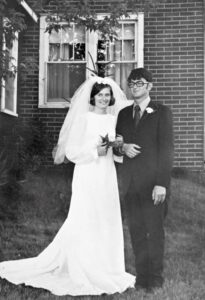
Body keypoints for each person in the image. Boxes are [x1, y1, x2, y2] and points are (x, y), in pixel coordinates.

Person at [0, 76, 135, 296]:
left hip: (106, 175)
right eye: (100, 95)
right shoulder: (83, 119)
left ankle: (107, 267)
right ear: (92, 97)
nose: (103, 98)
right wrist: (95, 152)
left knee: (105, 216)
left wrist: (117, 147)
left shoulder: (112, 120)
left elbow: (116, 153)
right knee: (86, 215)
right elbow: (71, 152)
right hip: (88, 172)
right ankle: (83, 265)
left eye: (107, 95)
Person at [115, 68, 174, 290]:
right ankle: (142, 279)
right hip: (130, 185)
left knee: (155, 232)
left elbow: (167, 150)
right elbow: (117, 144)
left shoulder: (162, 112)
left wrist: (162, 184)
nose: (135, 87)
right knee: (137, 232)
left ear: (149, 86)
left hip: (153, 185)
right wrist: (124, 147)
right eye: (131, 83)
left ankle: (156, 280)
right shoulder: (122, 114)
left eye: (139, 83)